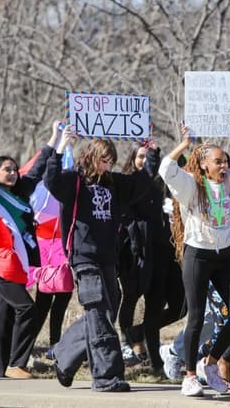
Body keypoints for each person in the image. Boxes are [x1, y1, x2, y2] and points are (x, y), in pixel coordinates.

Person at [160, 122, 230, 396]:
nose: (223, 166)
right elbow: (166, 169)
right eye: (218, 162)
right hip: (198, 256)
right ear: (205, 165)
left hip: (224, 256)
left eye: (225, 162)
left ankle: (212, 362)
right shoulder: (191, 187)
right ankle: (190, 376)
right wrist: (184, 143)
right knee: (196, 317)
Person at [44, 125, 151, 393]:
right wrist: (59, 147)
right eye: (104, 160)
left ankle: (63, 355)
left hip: (107, 258)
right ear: (92, 156)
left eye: (111, 161)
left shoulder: (114, 183)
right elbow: (51, 181)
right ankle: (107, 377)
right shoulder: (75, 181)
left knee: (104, 313)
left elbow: (142, 183)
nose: (107, 165)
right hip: (83, 258)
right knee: (99, 312)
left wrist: (152, 154)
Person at [0, 122, 60, 379]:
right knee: (27, 308)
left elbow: (37, 170)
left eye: (15, 169)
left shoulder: (20, 194)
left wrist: (54, 138)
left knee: (6, 315)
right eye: (7, 169)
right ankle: (17, 363)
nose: (13, 173)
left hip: (18, 265)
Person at [117, 142, 185, 373]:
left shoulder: (164, 185)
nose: (145, 161)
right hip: (140, 255)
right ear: (133, 160)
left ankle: (138, 333)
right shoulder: (129, 185)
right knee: (135, 300)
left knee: (179, 306)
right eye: (141, 156)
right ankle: (143, 353)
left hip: (167, 254)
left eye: (149, 157)